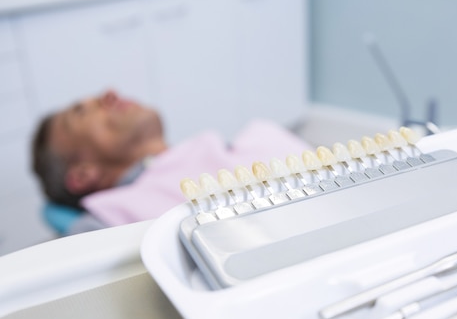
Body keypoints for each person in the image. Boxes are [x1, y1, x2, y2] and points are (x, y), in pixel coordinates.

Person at [31, 90, 311, 235]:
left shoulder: (226, 145)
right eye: (83, 112)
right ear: (82, 174)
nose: (110, 93)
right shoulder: (108, 217)